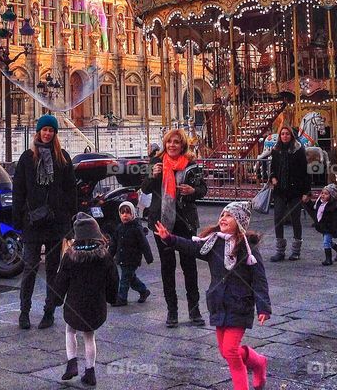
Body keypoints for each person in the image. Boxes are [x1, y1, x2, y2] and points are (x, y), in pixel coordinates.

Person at [155, 202, 270, 390]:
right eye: (222, 214)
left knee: (231, 351)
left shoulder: (247, 248)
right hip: (218, 304)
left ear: (240, 221)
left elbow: (259, 279)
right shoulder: (214, 242)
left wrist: (263, 306)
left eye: (229, 215)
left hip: (239, 305)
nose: (223, 218)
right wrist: (170, 239)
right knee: (226, 352)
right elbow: (192, 247)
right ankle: (258, 363)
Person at [13, 114, 76, 330]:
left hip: (55, 222)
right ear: (38, 132)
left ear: (55, 134)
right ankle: (24, 312)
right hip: (32, 222)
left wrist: (69, 219)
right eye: (44, 130)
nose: (47, 133)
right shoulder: (27, 158)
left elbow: (70, 191)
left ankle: (49, 312)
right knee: (29, 268)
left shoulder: (63, 158)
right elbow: (18, 190)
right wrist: (19, 219)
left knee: (52, 270)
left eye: (51, 130)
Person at [141, 128, 208, 328]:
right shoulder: (156, 163)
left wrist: (192, 190)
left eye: (176, 142)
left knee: (189, 265)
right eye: (169, 142)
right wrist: (152, 176)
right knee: (167, 266)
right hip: (162, 222)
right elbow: (144, 188)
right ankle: (172, 311)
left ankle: (194, 310)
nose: (172, 145)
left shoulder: (191, 164)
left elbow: (204, 189)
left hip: (185, 222)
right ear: (165, 144)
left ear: (182, 145)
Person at [53, 213, 118, 386]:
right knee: (89, 336)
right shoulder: (105, 257)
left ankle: (72, 362)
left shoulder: (70, 257)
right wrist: (112, 297)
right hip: (96, 305)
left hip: (74, 304)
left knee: (70, 331)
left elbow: (61, 280)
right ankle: (90, 372)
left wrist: (56, 299)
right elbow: (113, 280)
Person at [265, 126, 311, 262]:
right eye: (282, 134)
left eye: (287, 134)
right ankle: (280, 250)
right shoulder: (276, 150)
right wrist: (273, 178)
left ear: (291, 136)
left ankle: (296, 250)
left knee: (295, 219)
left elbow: (305, 172)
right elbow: (272, 168)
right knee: (278, 218)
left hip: (295, 190)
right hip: (280, 190)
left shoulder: (298, 151)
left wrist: (306, 192)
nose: (284, 136)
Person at [110, 200, 153, 306]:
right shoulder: (119, 228)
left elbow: (144, 243)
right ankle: (143, 291)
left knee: (124, 279)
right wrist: (109, 255)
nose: (125, 215)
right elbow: (114, 244)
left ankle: (122, 298)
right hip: (122, 258)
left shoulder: (136, 228)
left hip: (132, 259)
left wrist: (149, 257)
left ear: (133, 214)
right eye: (123, 213)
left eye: (128, 213)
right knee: (131, 278)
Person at [306, 183, 337, 265]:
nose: (323, 195)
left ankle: (328, 259)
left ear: (331, 196)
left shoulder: (333, 207)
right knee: (328, 241)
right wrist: (308, 202)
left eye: (326, 194)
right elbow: (313, 208)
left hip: (329, 227)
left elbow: (335, 220)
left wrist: (335, 229)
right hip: (323, 226)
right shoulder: (319, 203)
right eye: (322, 193)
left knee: (326, 242)